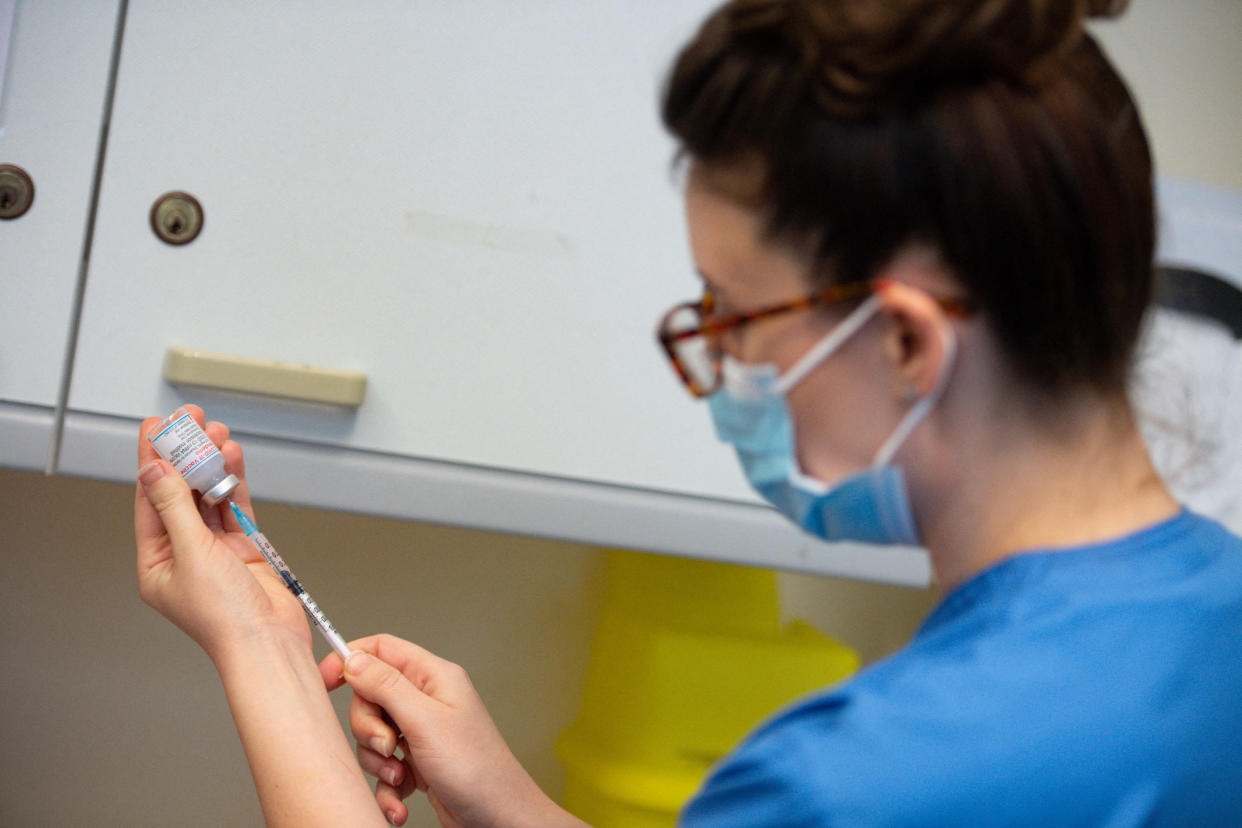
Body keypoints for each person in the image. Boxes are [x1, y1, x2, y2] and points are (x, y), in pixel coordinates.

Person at [134, 0, 1242, 825]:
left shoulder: (852, 780)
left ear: (906, 341)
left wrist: (263, 651)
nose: (725, 368)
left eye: (738, 315)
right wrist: (509, 800)